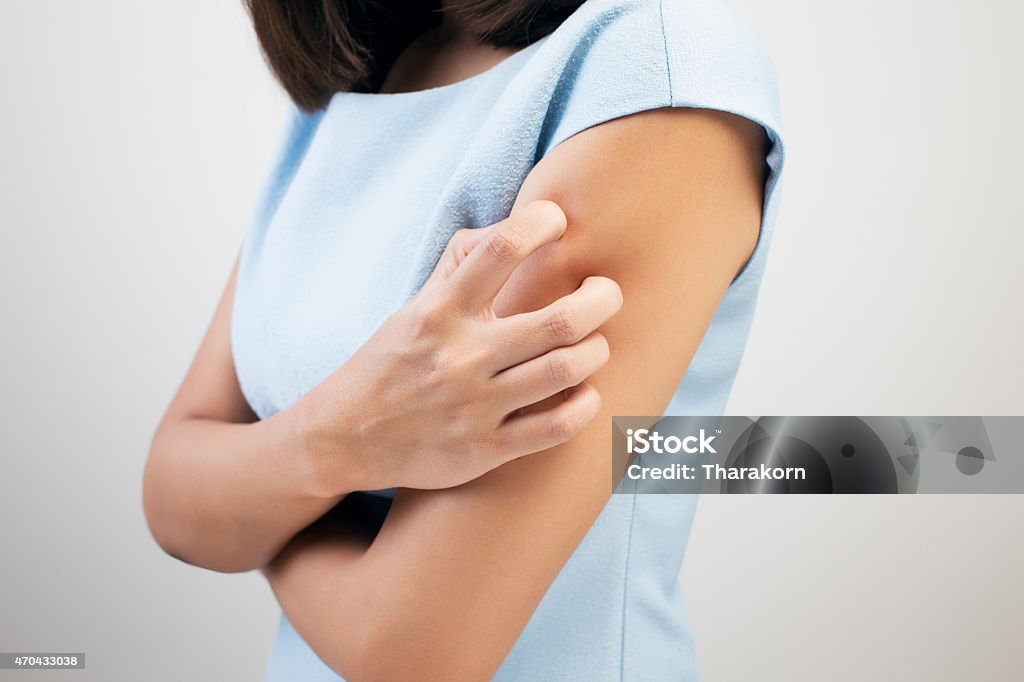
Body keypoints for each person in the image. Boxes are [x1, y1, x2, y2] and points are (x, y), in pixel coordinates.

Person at [142, 0, 785, 679]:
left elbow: (407, 651)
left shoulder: (654, 69)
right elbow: (169, 492)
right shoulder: (363, 73)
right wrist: (338, 439)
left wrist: (266, 516)